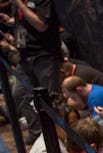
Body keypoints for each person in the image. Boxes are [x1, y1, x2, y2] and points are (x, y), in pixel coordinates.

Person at [0, 0, 63, 144]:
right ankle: (38, 135)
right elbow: (24, 23)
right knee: (19, 94)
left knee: (51, 100)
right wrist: (11, 21)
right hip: (25, 57)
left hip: (44, 57)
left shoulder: (41, 1)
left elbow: (41, 25)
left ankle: (58, 139)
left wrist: (20, 4)